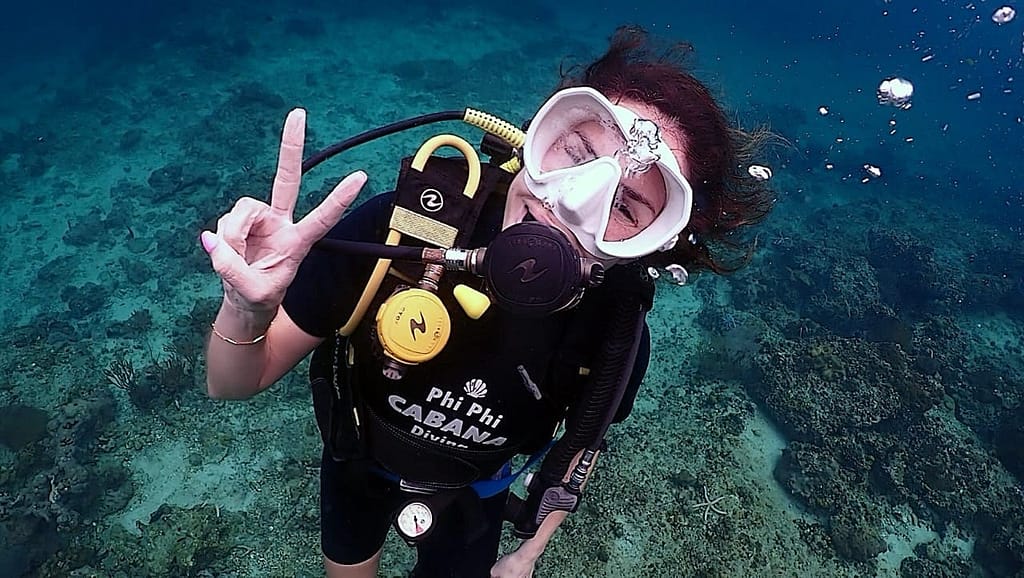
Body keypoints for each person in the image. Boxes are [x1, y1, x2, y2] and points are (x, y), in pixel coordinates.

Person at [201, 26, 773, 578]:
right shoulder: (404, 231)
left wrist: (527, 555)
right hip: (357, 460)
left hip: (474, 498)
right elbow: (230, 384)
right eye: (573, 153)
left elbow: (581, 446)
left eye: (623, 209)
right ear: (535, 138)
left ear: (653, 245)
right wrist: (248, 309)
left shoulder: (615, 332)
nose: (571, 204)